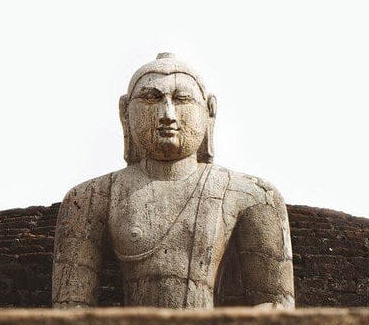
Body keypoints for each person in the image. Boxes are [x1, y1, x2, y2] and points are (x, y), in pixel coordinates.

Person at [53, 53, 294, 309]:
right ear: (125, 112)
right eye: (151, 98)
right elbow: (70, 312)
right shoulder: (89, 198)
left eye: (182, 99)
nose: (167, 114)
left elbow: (276, 309)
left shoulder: (251, 196)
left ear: (209, 110)